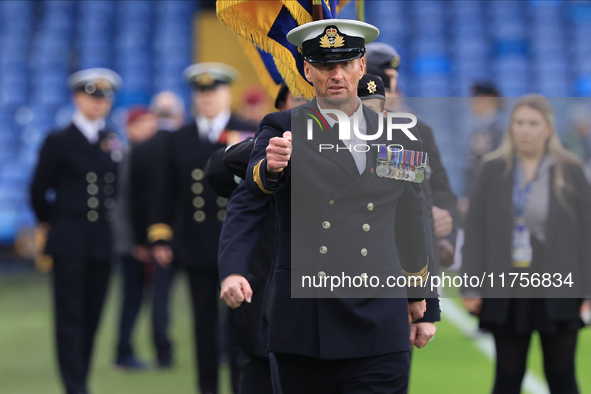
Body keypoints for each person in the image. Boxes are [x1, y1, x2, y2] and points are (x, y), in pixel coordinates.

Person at [234, 19, 429, 393]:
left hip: (379, 319)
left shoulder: (400, 133)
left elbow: (410, 215)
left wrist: (419, 293)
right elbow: (257, 186)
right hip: (307, 326)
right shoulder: (280, 128)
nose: (335, 75)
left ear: (362, 65)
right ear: (307, 70)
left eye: (345, 63)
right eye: (324, 65)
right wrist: (271, 169)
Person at [461, 95, 591, 394]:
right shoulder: (492, 169)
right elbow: (476, 231)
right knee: (508, 374)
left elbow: (586, 233)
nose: (524, 130)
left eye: (533, 123)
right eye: (519, 123)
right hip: (507, 285)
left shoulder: (570, 170)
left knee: (561, 372)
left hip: (559, 284)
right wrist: (470, 285)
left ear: (548, 128)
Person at [147, 63, 257, 394]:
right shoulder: (179, 138)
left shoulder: (248, 131)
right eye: (201, 92)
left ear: (227, 93)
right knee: (203, 326)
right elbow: (164, 190)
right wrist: (161, 234)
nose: (207, 98)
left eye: (213, 91)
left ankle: (241, 388)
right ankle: (206, 388)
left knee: (240, 326)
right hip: (195, 243)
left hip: (239, 244)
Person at [29, 68, 122, 394]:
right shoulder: (58, 140)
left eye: (104, 98)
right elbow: (38, 190)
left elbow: (116, 189)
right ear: (77, 98)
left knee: (92, 317)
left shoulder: (111, 141)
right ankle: (75, 386)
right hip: (69, 241)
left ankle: (80, 380)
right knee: (69, 318)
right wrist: (51, 222)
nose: (98, 104)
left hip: (101, 243)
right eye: (91, 96)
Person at [365, 43, 458, 269]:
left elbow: (432, 190)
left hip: (410, 256)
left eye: (392, 79)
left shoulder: (415, 130)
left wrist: (443, 225)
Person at [127, 91, 186, 368]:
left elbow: (135, 201)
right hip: (192, 233)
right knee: (211, 294)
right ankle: (220, 348)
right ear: (179, 115)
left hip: (157, 235)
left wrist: (142, 240)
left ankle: (163, 353)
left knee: (160, 299)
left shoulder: (141, 149)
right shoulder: (189, 142)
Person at [112, 106, 158, 370]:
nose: (149, 129)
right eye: (143, 124)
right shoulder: (128, 156)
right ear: (130, 128)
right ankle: (123, 352)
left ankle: (126, 350)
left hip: (136, 241)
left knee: (138, 298)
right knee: (131, 298)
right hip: (131, 244)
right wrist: (134, 243)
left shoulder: (139, 156)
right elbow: (123, 205)